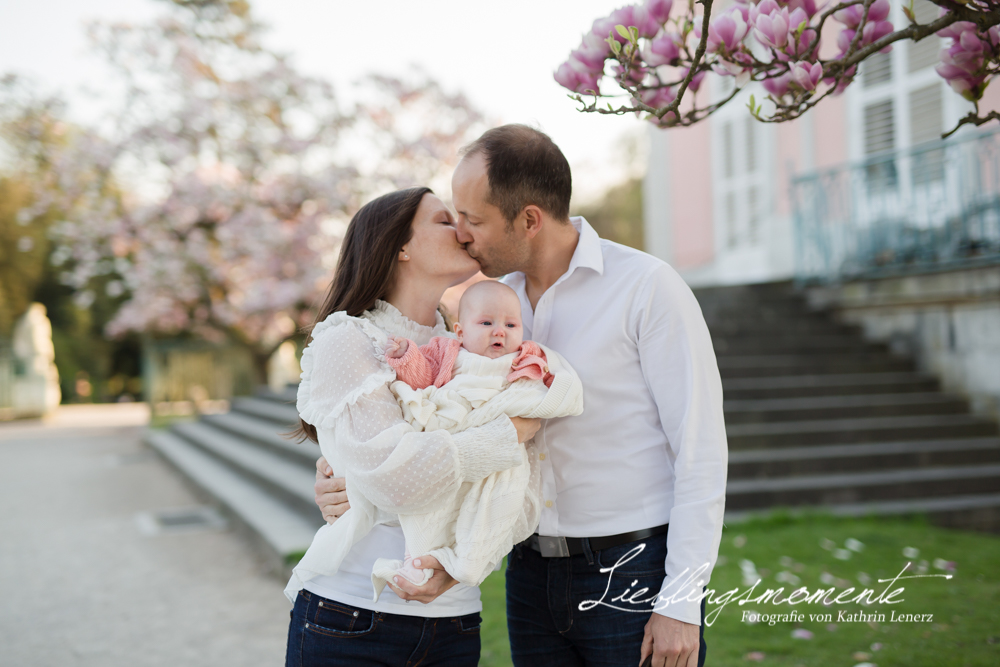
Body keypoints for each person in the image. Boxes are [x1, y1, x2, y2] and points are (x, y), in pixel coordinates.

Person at [316, 124, 728, 667]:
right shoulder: (486, 307)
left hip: (632, 569)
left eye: (475, 220)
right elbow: (430, 423)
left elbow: (701, 450)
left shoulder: (647, 288)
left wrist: (681, 601)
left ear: (529, 219)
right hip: (527, 576)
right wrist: (343, 472)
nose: (462, 234)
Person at [285, 186, 543, 667]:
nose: (463, 230)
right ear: (400, 246)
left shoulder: (479, 348)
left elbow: (512, 488)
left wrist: (458, 563)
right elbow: (399, 480)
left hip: (456, 619)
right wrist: (510, 433)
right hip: (354, 615)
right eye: (445, 220)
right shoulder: (351, 338)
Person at [374, 280, 583, 590]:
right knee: (432, 507)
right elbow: (421, 380)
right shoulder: (447, 352)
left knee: (492, 505)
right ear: (460, 332)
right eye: (486, 323)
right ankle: (417, 559)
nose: (499, 331)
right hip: (455, 436)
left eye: (510, 324)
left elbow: (537, 388)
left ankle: (471, 559)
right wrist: (406, 356)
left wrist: (539, 389)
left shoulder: (522, 359)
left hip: (501, 458)